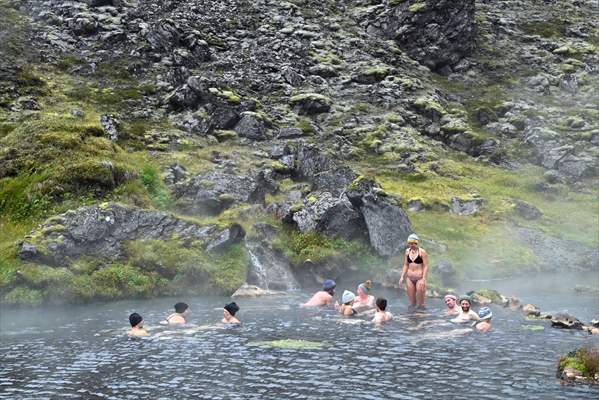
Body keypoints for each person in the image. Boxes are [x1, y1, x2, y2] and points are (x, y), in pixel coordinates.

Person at [398, 233, 429, 311]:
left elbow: (426, 266)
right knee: (412, 303)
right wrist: (402, 277)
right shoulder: (407, 251)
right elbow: (406, 264)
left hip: (419, 278)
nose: (411, 245)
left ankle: (422, 317)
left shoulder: (422, 252)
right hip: (410, 279)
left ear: (417, 243)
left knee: (421, 304)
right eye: (410, 243)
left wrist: (424, 279)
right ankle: (412, 319)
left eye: (413, 243)